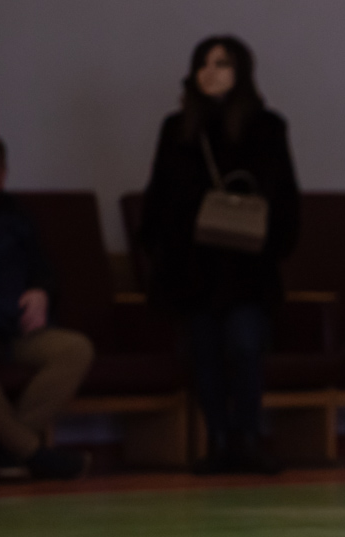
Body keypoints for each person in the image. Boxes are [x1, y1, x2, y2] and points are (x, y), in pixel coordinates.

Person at [140, 36, 299, 474]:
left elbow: (284, 195)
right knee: (205, 353)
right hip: (192, 267)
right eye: (203, 64)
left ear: (240, 71)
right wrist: (160, 249)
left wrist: (274, 244)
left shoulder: (266, 127)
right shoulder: (179, 128)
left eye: (222, 64)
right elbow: (160, 195)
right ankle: (218, 440)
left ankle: (248, 436)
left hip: (247, 267)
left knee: (245, 345)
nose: (211, 72)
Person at [0, 131, 94, 480]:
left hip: (12, 327)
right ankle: (32, 452)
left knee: (74, 349)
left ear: (1, 175)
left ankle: (4, 451)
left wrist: (41, 291)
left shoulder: (17, 216)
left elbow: (44, 268)